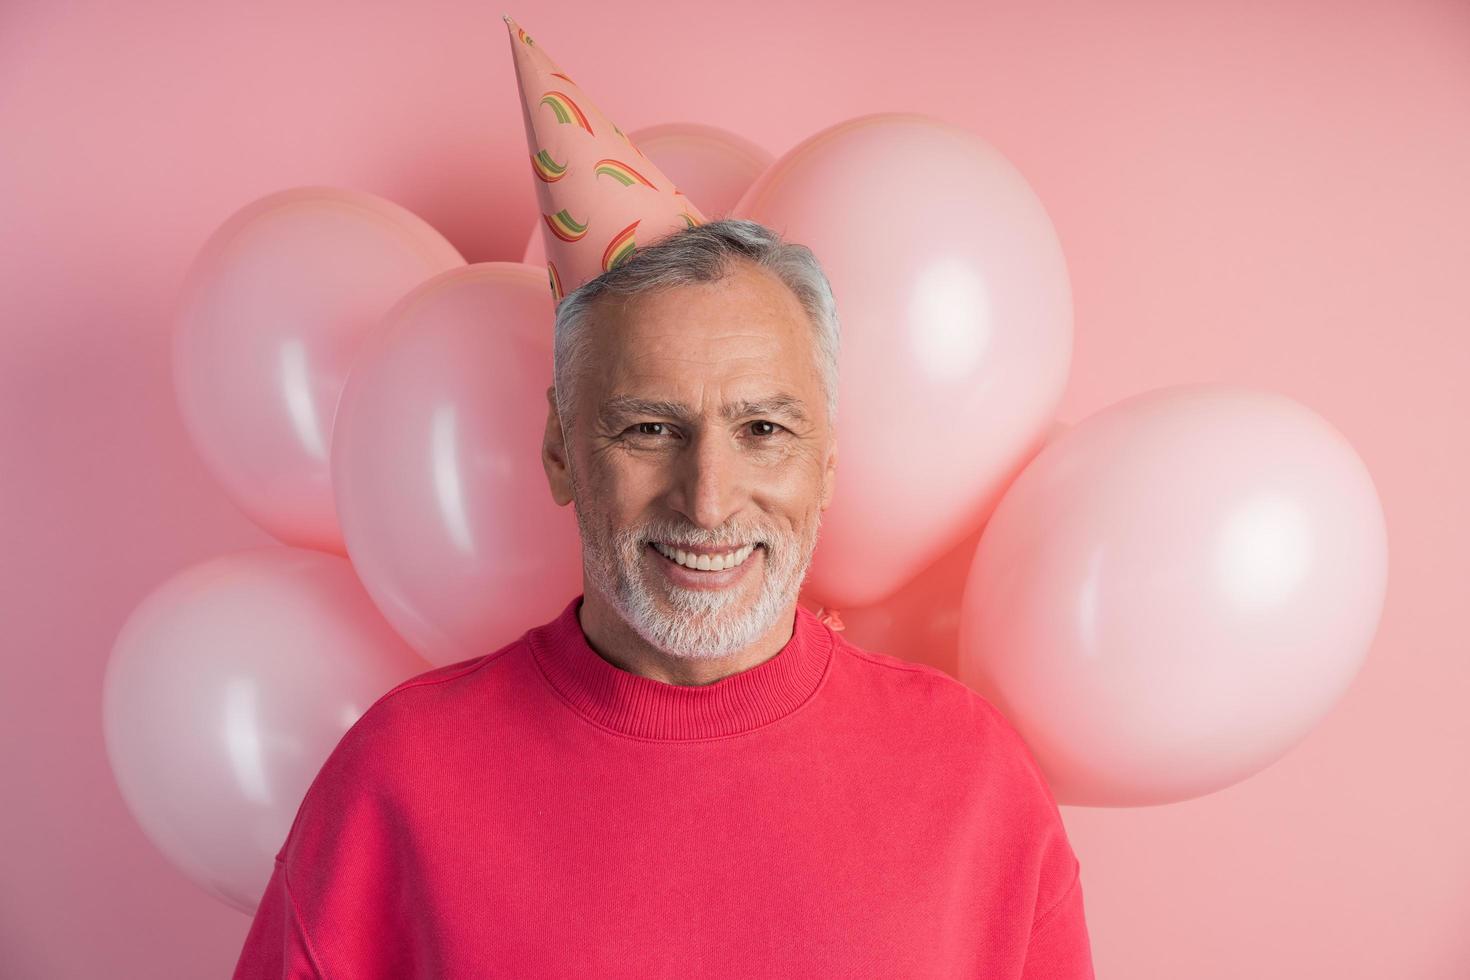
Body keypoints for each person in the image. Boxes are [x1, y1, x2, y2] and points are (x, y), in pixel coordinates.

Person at [231, 218, 1094, 978]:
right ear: (563, 451)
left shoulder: (974, 780)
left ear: (826, 464)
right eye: (650, 429)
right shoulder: (398, 780)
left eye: (763, 431)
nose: (708, 499)